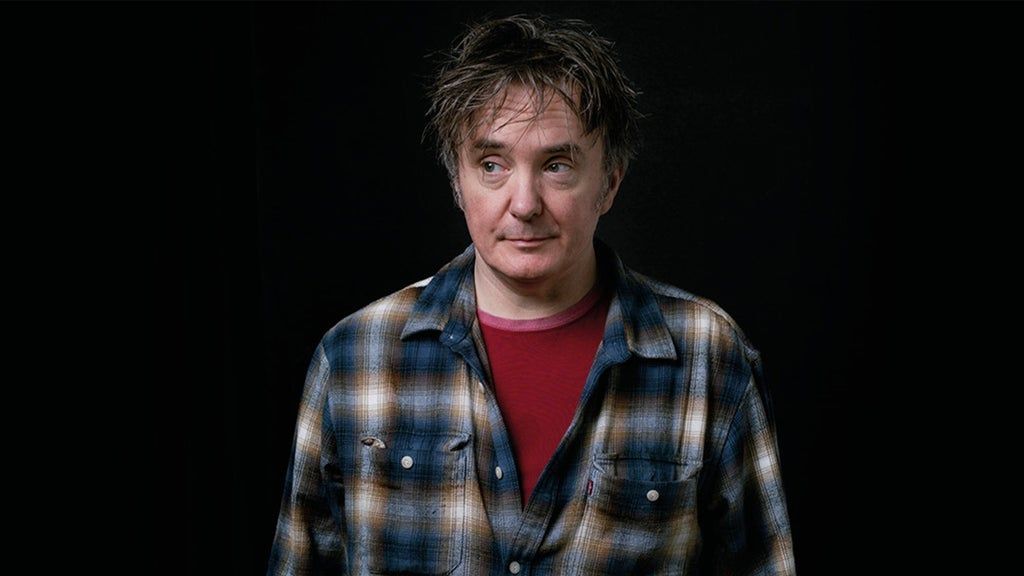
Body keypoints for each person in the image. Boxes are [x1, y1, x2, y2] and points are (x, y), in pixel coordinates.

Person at [267, 14, 795, 575]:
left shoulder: (709, 356)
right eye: (492, 165)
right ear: (457, 181)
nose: (524, 204)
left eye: (557, 165)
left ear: (610, 182)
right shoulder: (355, 356)